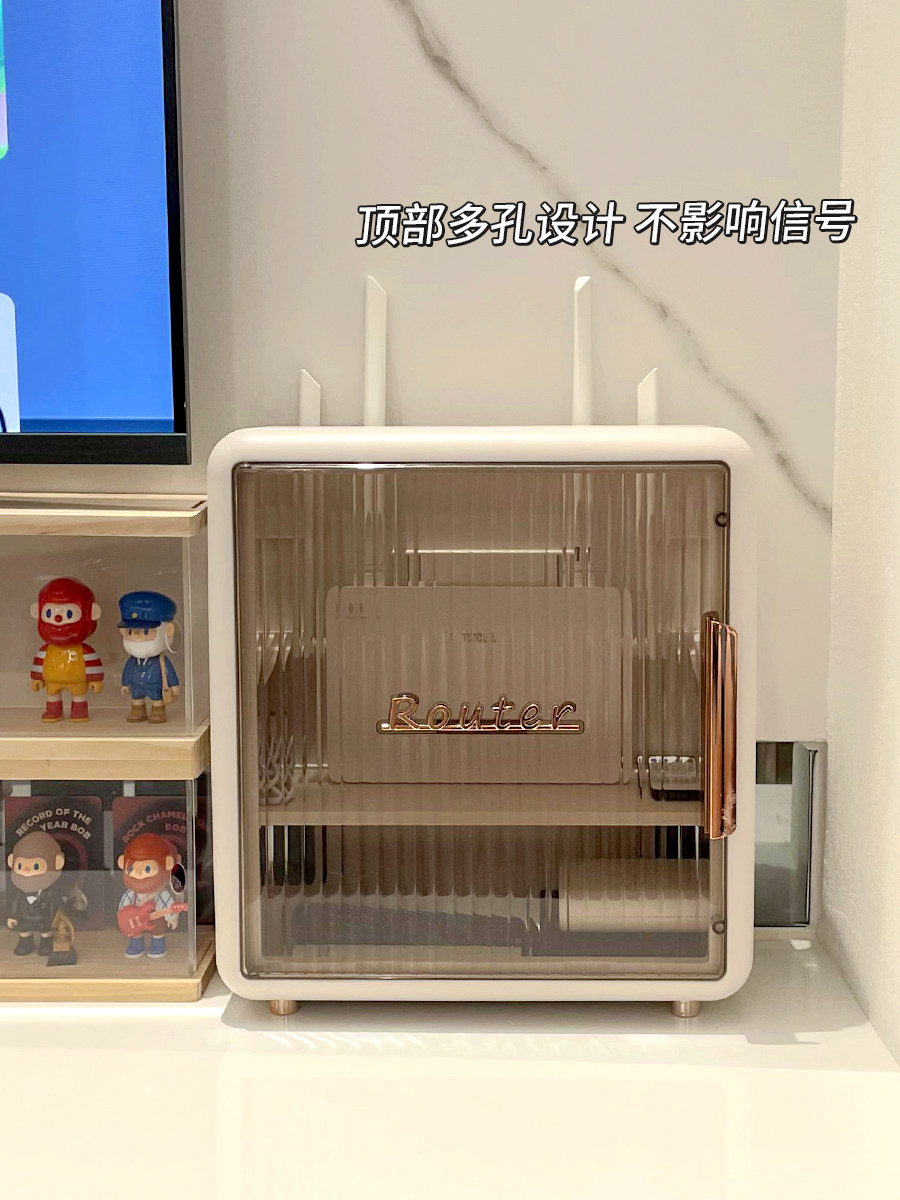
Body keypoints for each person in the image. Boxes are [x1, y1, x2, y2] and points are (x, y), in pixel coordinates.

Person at [117, 591, 180, 724]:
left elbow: (169, 671)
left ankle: (158, 710)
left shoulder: (161, 660)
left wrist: (174, 685)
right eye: (130, 631)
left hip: (155, 687)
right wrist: (125, 684)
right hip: (136, 686)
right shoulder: (133, 661)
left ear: (168, 631)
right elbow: (128, 670)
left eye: (146, 631)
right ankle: (138, 710)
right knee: (136, 699)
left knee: (157, 699)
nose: (136, 635)